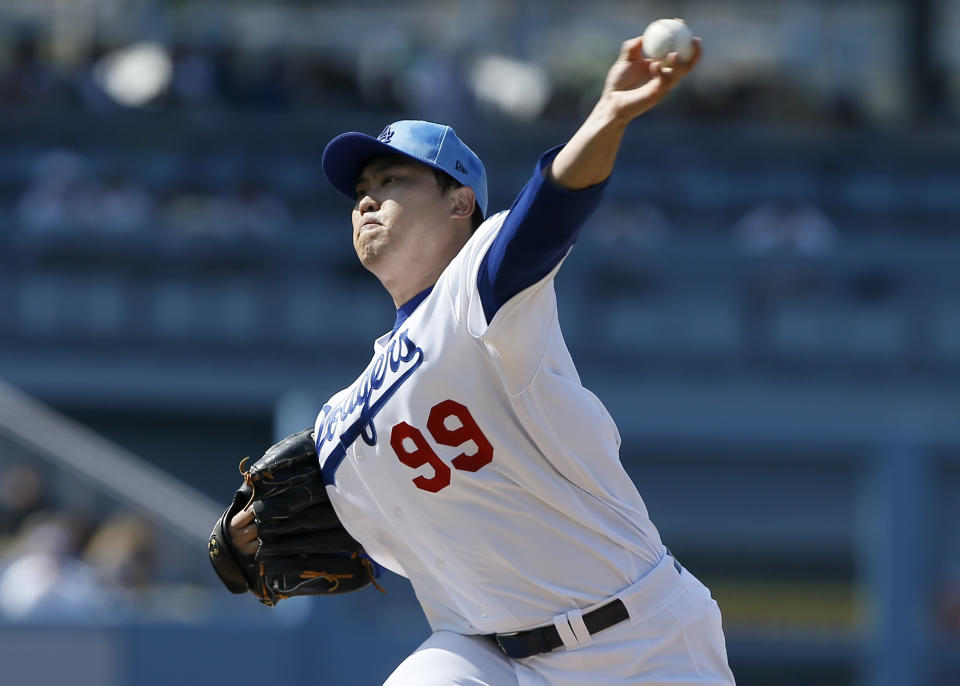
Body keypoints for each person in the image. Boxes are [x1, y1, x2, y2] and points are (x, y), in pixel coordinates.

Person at [231, 31, 734, 685]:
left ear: (459, 202)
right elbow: (377, 546)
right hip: (489, 656)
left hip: (642, 644)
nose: (365, 199)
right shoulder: (337, 422)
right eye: (360, 188)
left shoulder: (480, 293)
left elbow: (549, 213)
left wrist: (608, 114)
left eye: (392, 179)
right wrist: (244, 543)